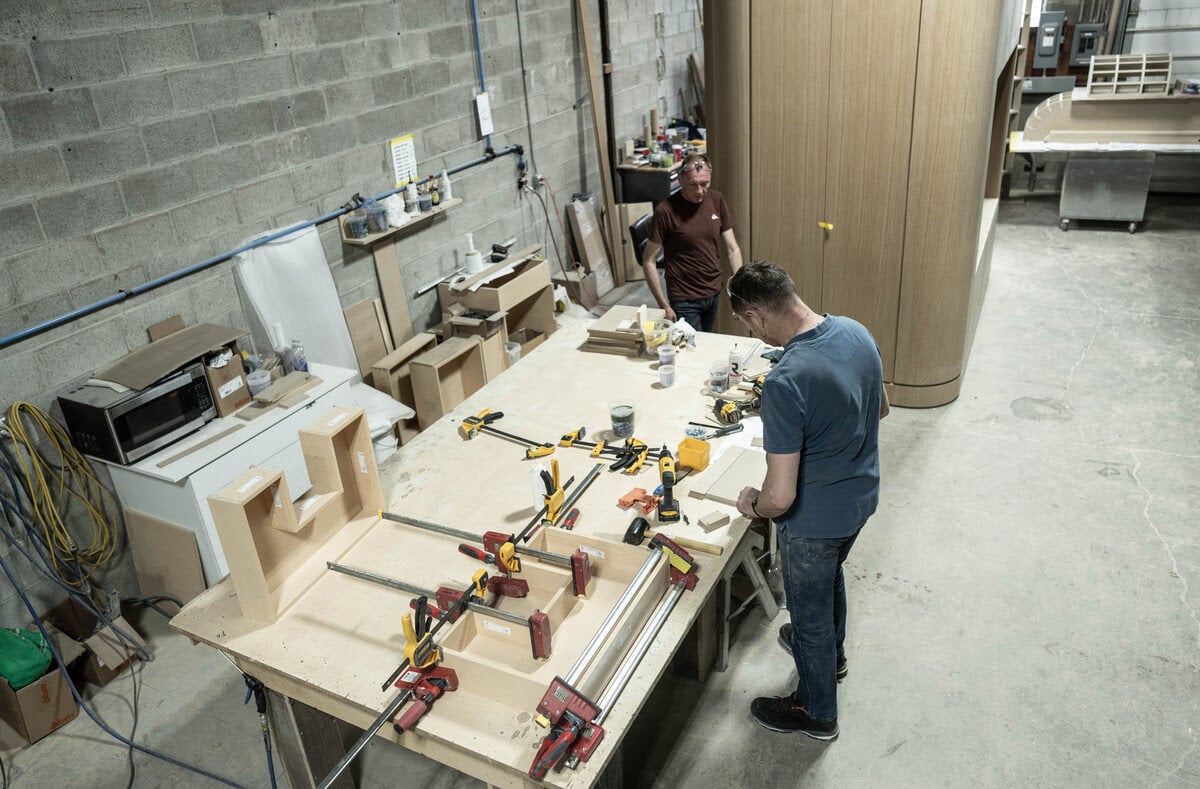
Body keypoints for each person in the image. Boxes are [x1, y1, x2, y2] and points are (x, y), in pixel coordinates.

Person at [727, 261, 889, 741]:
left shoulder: (785, 380)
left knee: (809, 615)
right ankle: (832, 659)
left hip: (814, 523)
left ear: (756, 315)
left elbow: (780, 495)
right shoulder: (856, 333)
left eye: (745, 324)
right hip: (861, 499)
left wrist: (753, 505)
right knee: (829, 579)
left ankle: (816, 711)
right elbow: (881, 407)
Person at [641, 153, 743, 332]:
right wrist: (663, 304)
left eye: (704, 184)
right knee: (692, 350)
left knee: (705, 341)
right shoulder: (665, 211)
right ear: (681, 179)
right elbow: (648, 261)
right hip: (684, 298)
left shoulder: (717, 200)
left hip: (713, 292)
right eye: (693, 185)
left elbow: (733, 249)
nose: (699, 191)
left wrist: (739, 291)